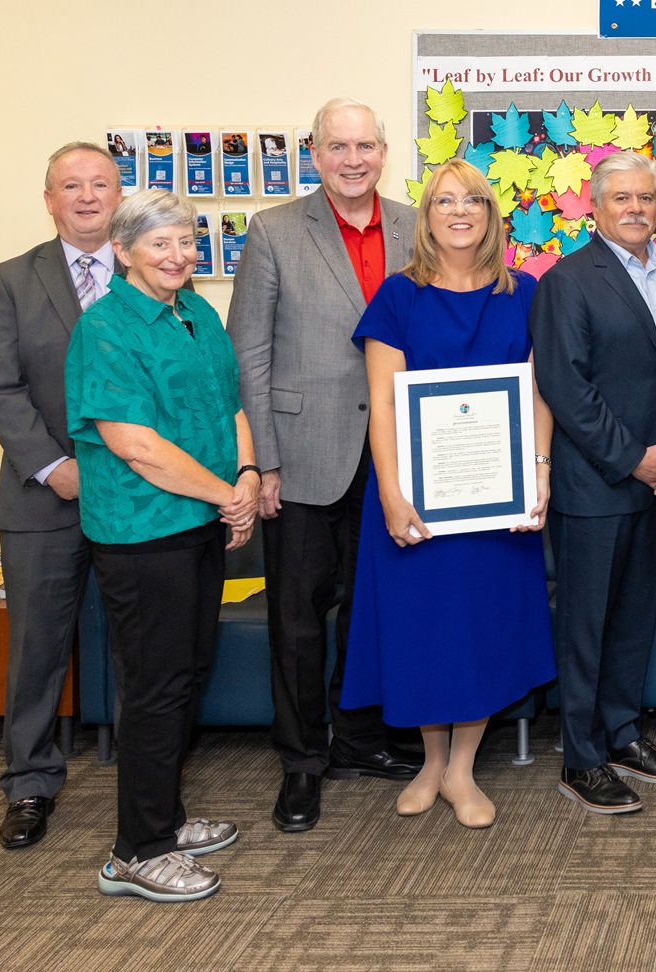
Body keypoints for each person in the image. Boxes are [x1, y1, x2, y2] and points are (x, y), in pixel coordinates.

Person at [338, 159, 557, 829]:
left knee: (482, 628)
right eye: (444, 201)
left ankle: (462, 768)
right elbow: (381, 404)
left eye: (475, 201)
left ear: (492, 216)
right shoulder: (397, 297)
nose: (460, 211)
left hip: (498, 501)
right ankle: (431, 761)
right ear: (426, 217)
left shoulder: (522, 294)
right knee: (422, 630)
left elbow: (538, 392)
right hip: (416, 499)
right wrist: (392, 493)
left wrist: (539, 474)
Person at [229, 97, 424, 835]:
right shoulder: (274, 230)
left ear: (383, 152)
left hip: (395, 456)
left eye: (365, 146)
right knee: (300, 621)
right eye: (337, 147)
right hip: (303, 459)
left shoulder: (414, 224)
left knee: (375, 609)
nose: (352, 160)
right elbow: (247, 350)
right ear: (314, 153)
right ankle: (302, 763)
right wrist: (262, 462)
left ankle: (358, 741)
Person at [66, 189, 256, 901]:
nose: (178, 256)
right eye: (160, 244)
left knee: (188, 673)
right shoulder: (108, 328)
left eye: (186, 241)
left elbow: (232, 404)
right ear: (122, 250)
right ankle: (136, 852)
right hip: (144, 535)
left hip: (199, 524)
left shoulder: (197, 312)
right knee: (154, 687)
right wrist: (225, 495)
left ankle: (165, 819)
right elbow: (137, 445)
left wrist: (240, 479)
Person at [530, 151, 656, 814]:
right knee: (586, 626)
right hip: (594, 484)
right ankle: (581, 757)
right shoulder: (567, 281)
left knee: (633, 619)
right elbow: (565, 388)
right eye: (621, 198)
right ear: (595, 207)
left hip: (655, 481)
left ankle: (624, 734)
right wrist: (633, 458)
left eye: (645, 197)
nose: (635, 208)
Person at [0, 142, 120, 850]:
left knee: (142, 648)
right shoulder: (11, 279)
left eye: (100, 184)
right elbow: (0, 389)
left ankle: (149, 782)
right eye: (73, 185)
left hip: (136, 498)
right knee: (37, 649)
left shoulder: (154, 269)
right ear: (50, 199)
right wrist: (53, 467)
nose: (88, 196)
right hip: (43, 500)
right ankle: (30, 784)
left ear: (119, 195)